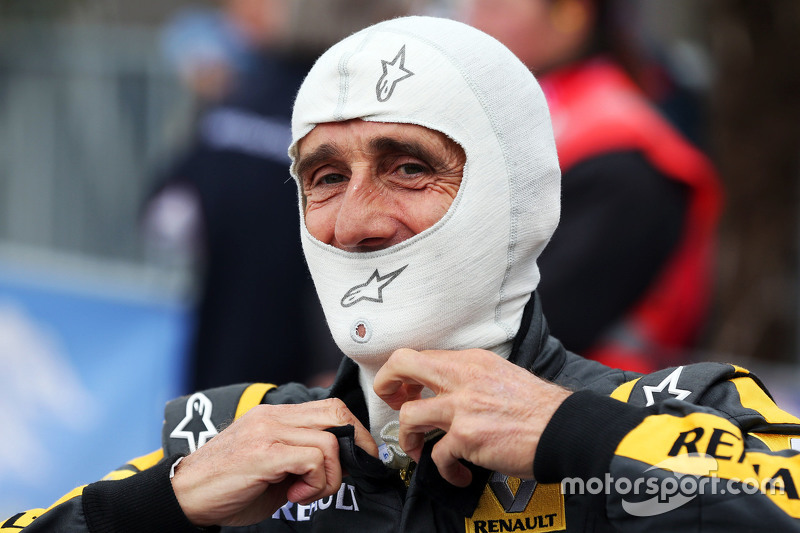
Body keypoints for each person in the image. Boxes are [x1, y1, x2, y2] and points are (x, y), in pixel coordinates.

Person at [4, 16, 800, 532]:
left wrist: (572, 435)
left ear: (516, 194)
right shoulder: (237, 433)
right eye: (323, 177)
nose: (355, 221)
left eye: (411, 167)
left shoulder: (692, 411)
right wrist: (163, 507)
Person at [144, 0, 415, 390]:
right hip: (322, 368)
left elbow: (168, 219)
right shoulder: (371, 113)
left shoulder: (240, 96)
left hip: (224, 358)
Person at [461, 0, 723, 373]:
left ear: (571, 14)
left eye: (497, 7)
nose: (472, 21)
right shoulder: (527, 116)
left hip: (593, 408)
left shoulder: (620, 152)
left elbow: (544, 321)